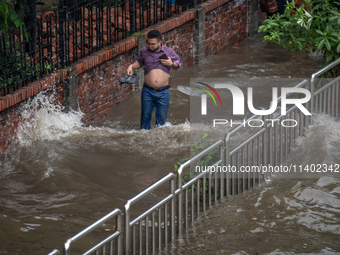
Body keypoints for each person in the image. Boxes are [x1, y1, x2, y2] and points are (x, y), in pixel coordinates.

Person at [126, 29, 182, 130]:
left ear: (160, 42)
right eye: (148, 43)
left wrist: (171, 64)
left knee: (161, 122)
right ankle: (144, 140)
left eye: (152, 44)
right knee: (145, 119)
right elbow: (140, 62)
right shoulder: (144, 51)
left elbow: (179, 64)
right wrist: (131, 66)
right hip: (147, 91)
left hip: (163, 92)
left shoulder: (169, 51)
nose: (150, 46)